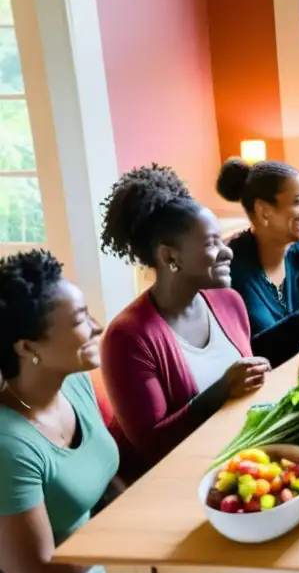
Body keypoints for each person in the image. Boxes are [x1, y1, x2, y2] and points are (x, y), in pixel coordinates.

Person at [99, 165, 271, 483]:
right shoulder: (128, 337)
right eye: (210, 244)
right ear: (169, 257)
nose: (226, 253)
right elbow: (151, 444)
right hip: (163, 484)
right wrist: (220, 390)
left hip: (231, 463)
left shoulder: (228, 302)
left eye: (221, 240)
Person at [0, 250, 118, 573]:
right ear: (29, 346)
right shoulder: (8, 444)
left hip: (94, 565)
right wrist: (117, 544)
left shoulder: (76, 386)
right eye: (81, 319)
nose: (97, 327)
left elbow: (110, 479)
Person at [216, 158, 299, 353]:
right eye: (298, 202)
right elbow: (266, 347)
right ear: (264, 211)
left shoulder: (297, 248)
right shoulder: (234, 269)